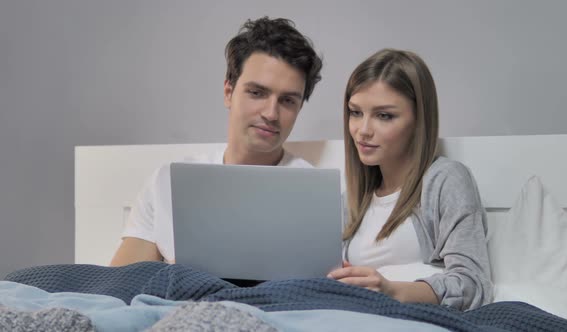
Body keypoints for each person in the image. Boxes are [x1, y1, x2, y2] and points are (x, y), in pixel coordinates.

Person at [110, 17, 323, 266]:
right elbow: (120, 285)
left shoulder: (317, 195)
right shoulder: (168, 183)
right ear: (228, 92)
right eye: (257, 93)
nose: (271, 113)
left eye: (288, 100)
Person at [327, 49, 492, 310]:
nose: (363, 130)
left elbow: (473, 284)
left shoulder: (445, 180)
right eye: (355, 112)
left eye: (384, 116)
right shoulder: (351, 199)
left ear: (418, 120)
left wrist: (390, 290)